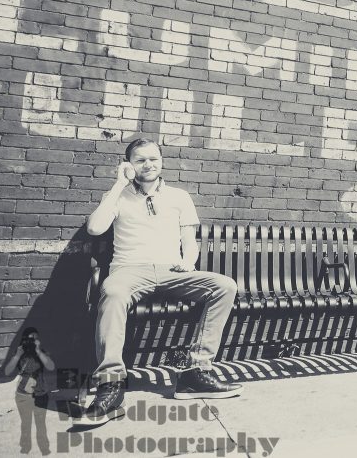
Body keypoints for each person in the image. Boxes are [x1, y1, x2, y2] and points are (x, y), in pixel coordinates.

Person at [80, 138, 241, 427]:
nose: (148, 165)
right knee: (112, 292)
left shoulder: (179, 197)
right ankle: (111, 385)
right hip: (130, 269)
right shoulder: (117, 196)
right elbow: (94, 228)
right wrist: (119, 184)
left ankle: (195, 373)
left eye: (153, 158)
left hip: (172, 270)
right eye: (140, 160)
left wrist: (188, 261)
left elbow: (189, 242)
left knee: (225, 286)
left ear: (161, 161)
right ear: (129, 164)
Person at [5, 327, 55, 455]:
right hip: (23, 395)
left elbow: (51, 366)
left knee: (41, 424)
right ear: (24, 340)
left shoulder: (42, 352)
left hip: (41, 393)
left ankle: (44, 449)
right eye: (29, 339)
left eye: (35, 339)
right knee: (25, 424)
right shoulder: (19, 352)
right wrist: (17, 355)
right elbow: (7, 372)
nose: (32, 342)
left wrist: (38, 351)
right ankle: (25, 448)